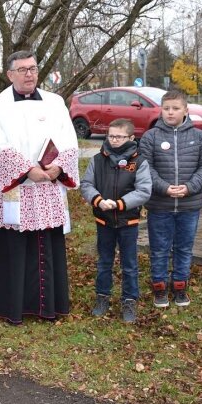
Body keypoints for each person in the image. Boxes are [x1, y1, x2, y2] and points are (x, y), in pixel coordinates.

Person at [0, 50, 79, 325]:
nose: (29, 74)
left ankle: (50, 307)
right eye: (22, 69)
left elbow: (68, 138)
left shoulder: (55, 102)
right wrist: (28, 171)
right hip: (17, 188)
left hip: (49, 183)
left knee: (48, 244)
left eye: (33, 68)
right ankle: (15, 308)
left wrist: (59, 166)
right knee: (16, 246)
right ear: (10, 74)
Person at [139, 89, 202, 308]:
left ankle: (180, 286)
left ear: (186, 110)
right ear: (161, 110)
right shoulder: (150, 137)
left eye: (175, 108)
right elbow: (145, 167)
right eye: (166, 108)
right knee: (159, 248)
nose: (170, 113)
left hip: (189, 205)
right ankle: (160, 287)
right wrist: (164, 188)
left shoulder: (200, 137)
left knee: (184, 247)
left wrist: (190, 187)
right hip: (159, 205)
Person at [79, 119, 152, 323]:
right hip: (104, 220)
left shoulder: (139, 162)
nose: (114, 140)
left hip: (128, 222)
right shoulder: (98, 159)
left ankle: (129, 300)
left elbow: (144, 191)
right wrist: (98, 201)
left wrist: (121, 204)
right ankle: (102, 297)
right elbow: (86, 184)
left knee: (129, 264)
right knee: (104, 262)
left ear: (130, 138)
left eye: (119, 136)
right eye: (111, 136)